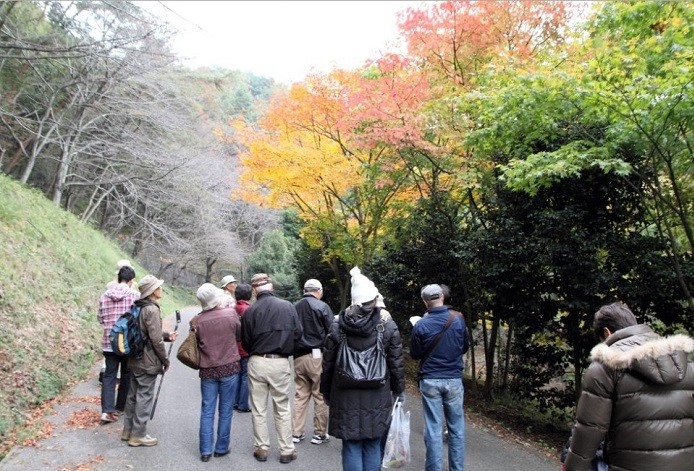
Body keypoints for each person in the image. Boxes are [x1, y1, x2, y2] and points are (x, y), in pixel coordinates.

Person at [563, 302, 694, 471]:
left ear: (606, 332)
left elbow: (590, 428)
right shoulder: (687, 366)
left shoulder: (606, 367)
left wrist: (572, 467)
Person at [321, 266, 405, 471]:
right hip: (378, 393)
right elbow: (396, 362)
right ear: (375, 300)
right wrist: (399, 391)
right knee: (373, 443)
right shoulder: (387, 325)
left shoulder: (338, 324)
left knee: (351, 444)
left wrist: (325, 391)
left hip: (344, 393)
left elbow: (328, 362)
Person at [240, 273, 303, 464]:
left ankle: (262, 448)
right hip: (280, 361)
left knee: (259, 408)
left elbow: (246, 342)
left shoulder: (250, 312)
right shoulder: (287, 307)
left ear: (254, 290)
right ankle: (286, 450)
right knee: (282, 407)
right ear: (272, 287)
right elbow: (298, 335)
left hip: (258, 360)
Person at [411, 284, 469, 471]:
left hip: (430, 379)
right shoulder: (458, 319)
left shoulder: (421, 324)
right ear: (443, 297)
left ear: (424, 301)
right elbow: (464, 346)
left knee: (433, 428)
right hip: (453, 378)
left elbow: (415, 354)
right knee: (456, 429)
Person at [121, 274, 178, 447]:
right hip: (147, 361)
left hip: (134, 358)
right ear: (153, 291)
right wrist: (165, 360)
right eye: (159, 287)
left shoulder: (138, 306)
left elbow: (146, 332)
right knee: (144, 396)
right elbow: (155, 339)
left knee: (132, 395)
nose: (161, 289)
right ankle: (138, 435)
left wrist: (167, 335)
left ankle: (127, 431)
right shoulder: (152, 309)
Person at [193, 283, 242, 462]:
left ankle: (205, 450)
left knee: (207, 409)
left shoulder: (197, 320)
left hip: (207, 369)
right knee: (226, 409)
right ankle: (221, 447)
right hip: (229, 366)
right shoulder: (230, 314)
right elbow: (239, 335)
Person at [292, 279, 334, 445]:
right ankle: (319, 434)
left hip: (298, 356)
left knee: (300, 395)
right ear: (319, 290)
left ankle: (296, 433)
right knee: (319, 394)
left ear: (304, 290)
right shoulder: (322, 307)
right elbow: (332, 332)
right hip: (317, 355)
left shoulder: (294, 307)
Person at [97, 265, 139, 424]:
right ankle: (120, 407)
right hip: (127, 343)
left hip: (109, 341)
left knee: (109, 376)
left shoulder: (104, 295)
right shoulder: (135, 295)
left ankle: (107, 411)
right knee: (127, 374)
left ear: (118, 279)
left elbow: (100, 318)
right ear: (131, 280)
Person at [233, 283, 253, 413]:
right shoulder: (248, 309)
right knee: (245, 376)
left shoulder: (233, 308)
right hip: (245, 347)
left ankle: (235, 401)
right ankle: (243, 404)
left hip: (234, 347)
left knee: (236, 374)